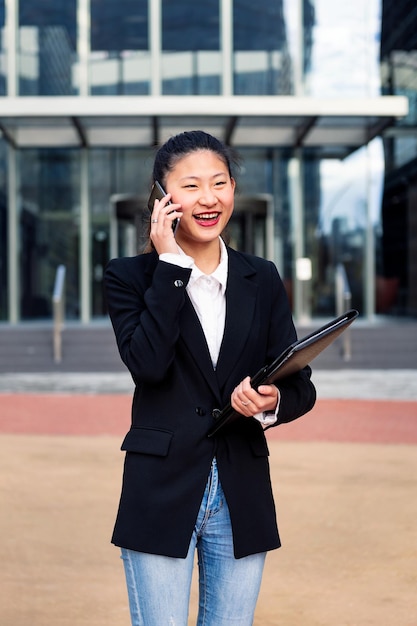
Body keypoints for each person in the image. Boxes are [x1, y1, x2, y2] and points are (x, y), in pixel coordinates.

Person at [104, 130, 316, 626]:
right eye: (191, 185)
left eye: (219, 183)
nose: (208, 198)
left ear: (233, 191)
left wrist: (269, 401)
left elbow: (300, 386)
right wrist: (172, 267)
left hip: (241, 489)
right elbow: (148, 365)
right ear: (162, 197)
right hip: (160, 487)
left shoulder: (260, 277)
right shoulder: (129, 276)